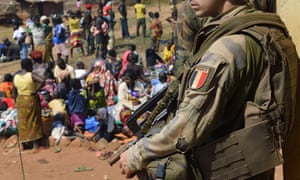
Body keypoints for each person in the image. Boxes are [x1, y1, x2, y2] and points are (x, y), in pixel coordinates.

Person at [119, 1, 299, 179]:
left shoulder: (226, 50)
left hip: (225, 168)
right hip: (255, 165)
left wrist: (136, 155)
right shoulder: (268, 30)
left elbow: (185, 129)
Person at [13, 58, 44, 152]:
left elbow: (14, 92)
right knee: (33, 120)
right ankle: (35, 145)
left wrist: (16, 101)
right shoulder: (31, 75)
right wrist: (36, 90)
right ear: (29, 66)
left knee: (22, 122)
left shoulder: (16, 76)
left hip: (20, 100)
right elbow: (42, 80)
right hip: (30, 99)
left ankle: (23, 144)